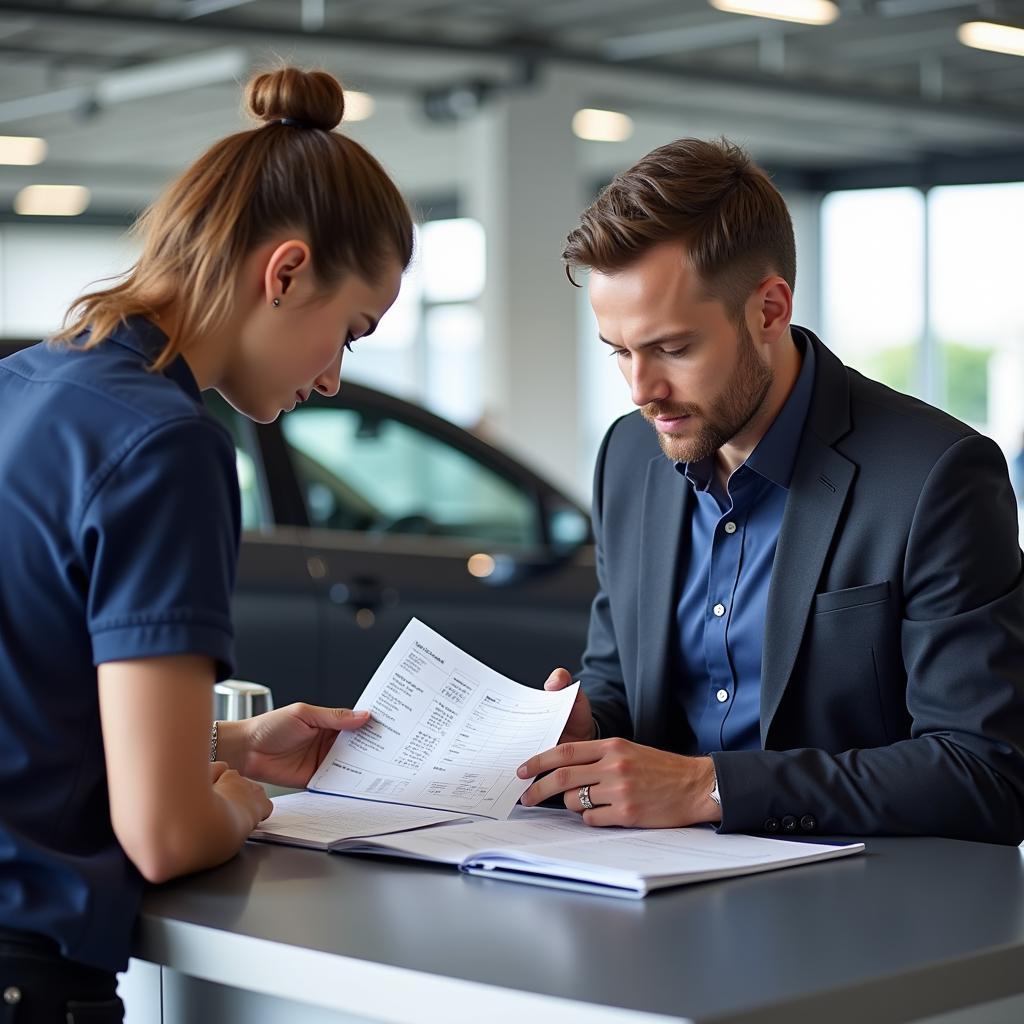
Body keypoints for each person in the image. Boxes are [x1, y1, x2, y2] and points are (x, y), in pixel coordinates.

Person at [0, 66, 413, 1020]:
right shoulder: (168, 445)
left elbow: (31, 706)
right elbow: (166, 835)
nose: (337, 377)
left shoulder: (27, 384)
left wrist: (225, 741)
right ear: (286, 272)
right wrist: (236, 801)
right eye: (350, 330)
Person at [518, 138, 1024, 845]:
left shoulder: (936, 476)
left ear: (769, 309)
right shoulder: (628, 457)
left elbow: (986, 771)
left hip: (857, 910)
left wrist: (710, 787)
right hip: (647, 890)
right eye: (620, 351)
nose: (642, 391)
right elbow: (622, 680)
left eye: (672, 348)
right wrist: (588, 723)